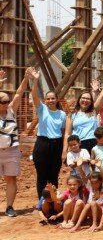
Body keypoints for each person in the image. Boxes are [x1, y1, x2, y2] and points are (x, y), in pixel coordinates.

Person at [29, 67, 67, 197]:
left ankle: (53, 200)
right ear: (45, 100)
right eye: (48, 98)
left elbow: (63, 132)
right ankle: (42, 201)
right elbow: (34, 95)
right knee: (42, 175)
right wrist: (35, 80)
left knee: (53, 175)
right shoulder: (42, 109)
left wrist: (63, 150)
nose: (50, 100)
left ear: (57, 99)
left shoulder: (62, 114)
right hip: (42, 144)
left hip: (56, 144)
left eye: (52, 98)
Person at [0, 70, 27, 217]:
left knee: (11, 178)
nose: (6, 103)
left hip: (11, 151)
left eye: (6, 101)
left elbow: (19, 92)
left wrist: (26, 77)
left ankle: (9, 206)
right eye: (3, 101)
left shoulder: (11, 110)